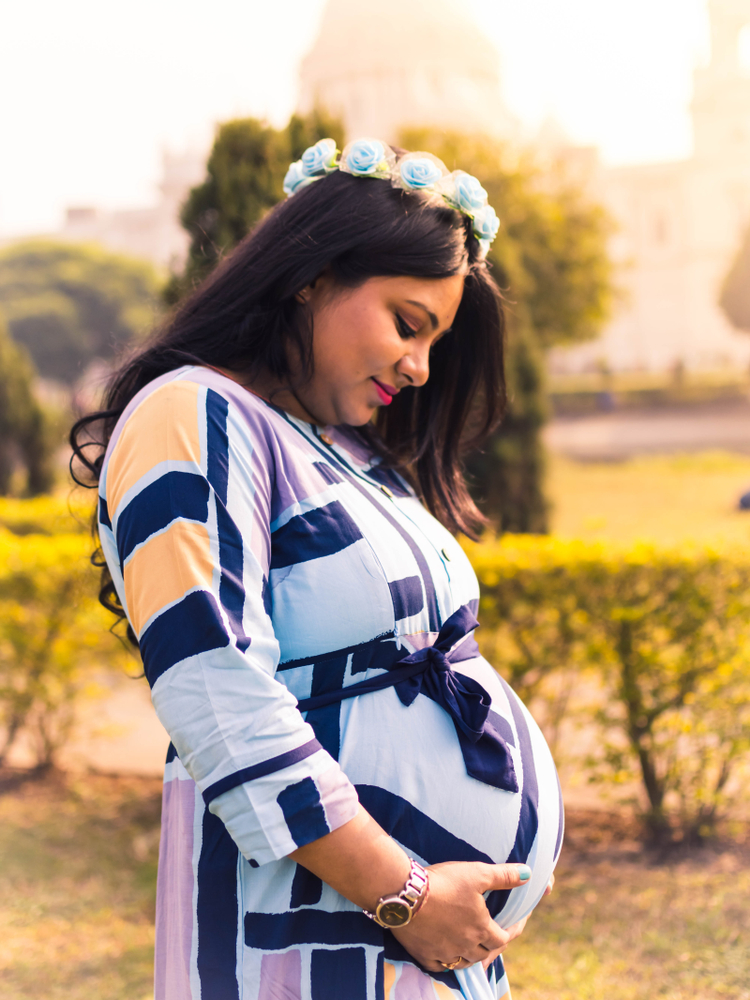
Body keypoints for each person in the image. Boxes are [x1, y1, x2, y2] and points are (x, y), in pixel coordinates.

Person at [71, 138, 563, 1000]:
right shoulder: (193, 414)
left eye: (435, 341)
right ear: (313, 275)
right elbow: (217, 690)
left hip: (414, 949)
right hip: (316, 942)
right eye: (408, 323)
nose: (419, 367)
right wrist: (406, 894)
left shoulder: (341, 447)